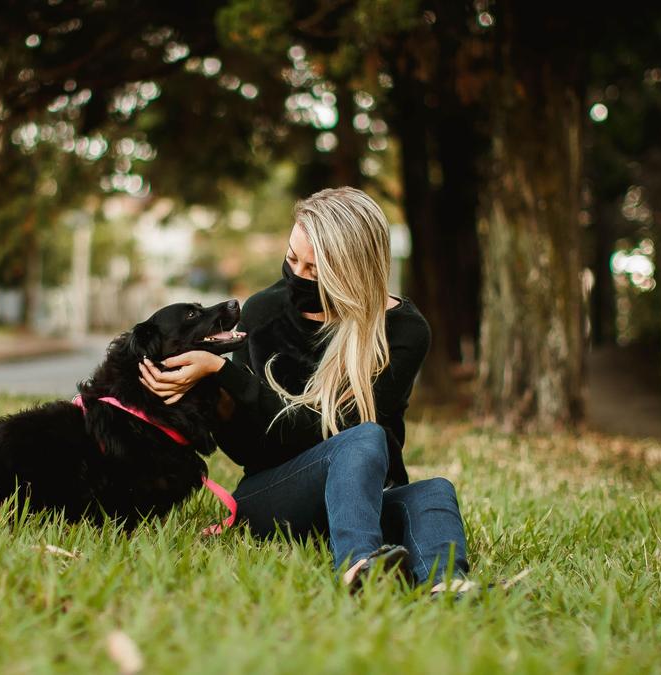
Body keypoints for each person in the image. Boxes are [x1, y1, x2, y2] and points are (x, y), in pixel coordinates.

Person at [138, 186, 469, 593]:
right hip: (276, 495)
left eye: (314, 270)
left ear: (352, 271)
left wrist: (227, 373)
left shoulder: (402, 331)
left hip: (362, 498)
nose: (296, 276)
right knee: (364, 437)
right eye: (292, 259)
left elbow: (327, 430)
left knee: (433, 489)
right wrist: (219, 379)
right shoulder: (264, 312)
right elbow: (253, 449)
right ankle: (359, 568)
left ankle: (448, 587)